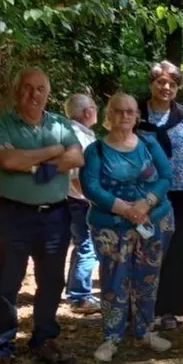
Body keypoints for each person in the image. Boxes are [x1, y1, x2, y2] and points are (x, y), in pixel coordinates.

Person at [0, 68, 85, 364]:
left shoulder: (59, 124)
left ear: (47, 93)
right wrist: (54, 151)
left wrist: (34, 165)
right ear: (17, 91)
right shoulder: (0, 125)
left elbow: (77, 157)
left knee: (52, 281)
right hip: (13, 215)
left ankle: (44, 340)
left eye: (40, 88)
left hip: (55, 215)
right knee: (6, 282)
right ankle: (1, 348)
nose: (34, 94)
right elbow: (8, 159)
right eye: (27, 88)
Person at [80, 94, 175, 363]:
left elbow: (166, 176)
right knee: (114, 279)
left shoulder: (149, 143)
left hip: (154, 220)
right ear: (108, 115)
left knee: (148, 277)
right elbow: (91, 187)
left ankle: (145, 331)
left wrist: (145, 204)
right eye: (119, 111)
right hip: (112, 227)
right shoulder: (96, 150)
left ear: (137, 116)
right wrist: (125, 209)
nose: (125, 116)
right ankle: (111, 337)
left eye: (130, 111)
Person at [137, 61, 183, 333]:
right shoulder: (137, 112)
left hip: (178, 191)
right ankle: (143, 308)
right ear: (151, 83)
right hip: (143, 192)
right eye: (161, 82)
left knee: (175, 251)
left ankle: (169, 309)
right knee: (145, 247)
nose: (166, 87)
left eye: (172, 84)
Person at [63, 93, 100, 315]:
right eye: (94, 107)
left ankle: (75, 291)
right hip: (80, 200)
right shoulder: (78, 137)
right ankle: (80, 297)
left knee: (81, 245)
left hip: (72, 199)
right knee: (88, 246)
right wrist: (92, 199)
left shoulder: (71, 132)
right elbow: (76, 175)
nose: (97, 111)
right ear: (87, 112)